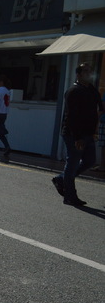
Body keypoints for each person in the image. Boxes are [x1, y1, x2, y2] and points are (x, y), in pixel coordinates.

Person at [51, 63, 102, 206]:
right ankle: (69, 196)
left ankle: (61, 179)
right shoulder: (73, 91)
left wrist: (95, 129)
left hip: (88, 133)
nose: (89, 73)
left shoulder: (91, 90)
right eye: (86, 71)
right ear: (78, 75)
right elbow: (71, 117)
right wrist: (77, 137)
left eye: (90, 70)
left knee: (90, 161)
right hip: (74, 134)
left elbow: (99, 107)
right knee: (72, 164)